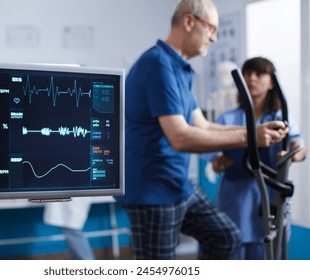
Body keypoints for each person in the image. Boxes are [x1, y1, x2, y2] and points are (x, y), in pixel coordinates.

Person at [114, 0, 288, 260]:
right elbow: (180, 137)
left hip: (178, 186)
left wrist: (254, 129)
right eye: (211, 29)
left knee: (226, 236)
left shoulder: (180, 68)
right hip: (153, 192)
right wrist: (251, 136)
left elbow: (203, 125)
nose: (215, 38)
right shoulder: (157, 65)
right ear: (188, 22)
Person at [205, 57, 307, 259]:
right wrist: (219, 163)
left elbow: (299, 147)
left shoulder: (281, 117)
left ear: (271, 82)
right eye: (247, 73)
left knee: (266, 254)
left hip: (270, 196)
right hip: (236, 198)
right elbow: (214, 160)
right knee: (233, 252)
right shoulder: (227, 118)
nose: (251, 78)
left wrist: (291, 155)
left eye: (258, 74)